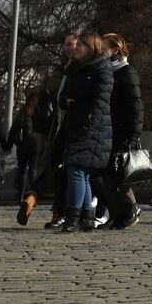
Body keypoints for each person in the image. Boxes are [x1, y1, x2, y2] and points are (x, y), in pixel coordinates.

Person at [55, 32, 115, 232]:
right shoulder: (78, 68)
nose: (75, 48)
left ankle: (74, 215)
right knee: (82, 172)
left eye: (80, 45)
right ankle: (87, 216)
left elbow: (101, 101)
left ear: (91, 48)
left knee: (76, 170)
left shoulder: (102, 69)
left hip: (91, 128)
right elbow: (65, 94)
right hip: (77, 123)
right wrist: (66, 101)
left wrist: (90, 121)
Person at [92, 34, 143, 229]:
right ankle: (115, 214)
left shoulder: (126, 72)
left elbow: (136, 105)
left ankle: (131, 209)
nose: (102, 51)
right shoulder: (107, 71)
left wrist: (134, 134)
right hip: (108, 128)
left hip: (122, 130)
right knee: (107, 174)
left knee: (120, 174)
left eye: (105, 48)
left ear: (116, 49)